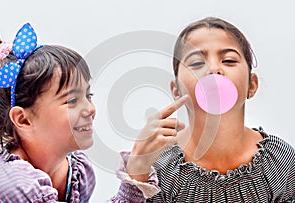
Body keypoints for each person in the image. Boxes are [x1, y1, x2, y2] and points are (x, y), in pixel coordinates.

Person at [110, 17, 295, 202]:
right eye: (197, 63)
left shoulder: (280, 161)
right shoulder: (158, 168)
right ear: (176, 90)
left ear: (252, 85)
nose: (213, 69)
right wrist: (137, 173)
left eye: (229, 60)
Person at [0, 23, 96, 202]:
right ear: (23, 119)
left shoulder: (78, 173)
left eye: (88, 95)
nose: (90, 109)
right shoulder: (14, 188)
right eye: (72, 101)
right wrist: (135, 180)